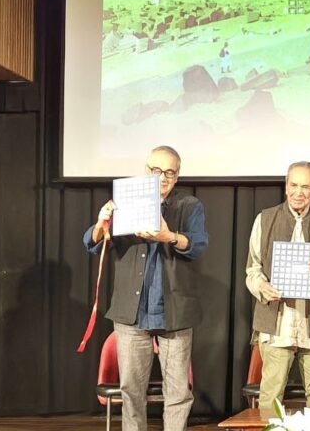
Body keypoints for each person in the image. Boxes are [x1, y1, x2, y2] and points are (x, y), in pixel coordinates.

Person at [84, 146, 209, 431]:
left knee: (178, 392)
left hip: (174, 311)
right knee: (131, 391)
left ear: (177, 177)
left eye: (169, 172)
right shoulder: (125, 202)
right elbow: (92, 243)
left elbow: (198, 244)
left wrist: (170, 237)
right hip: (132, 311)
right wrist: (101, 224)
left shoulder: (189, 206)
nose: (162, 177)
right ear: (147, 170)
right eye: (156, 170)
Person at [245, 161, 310, 410]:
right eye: (294, 185)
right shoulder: (265, 219)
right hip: (277, 322)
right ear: (286, 187)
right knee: (271, 396)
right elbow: (252, 269)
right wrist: (262, 287)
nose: (299, 192)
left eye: (306, 186)